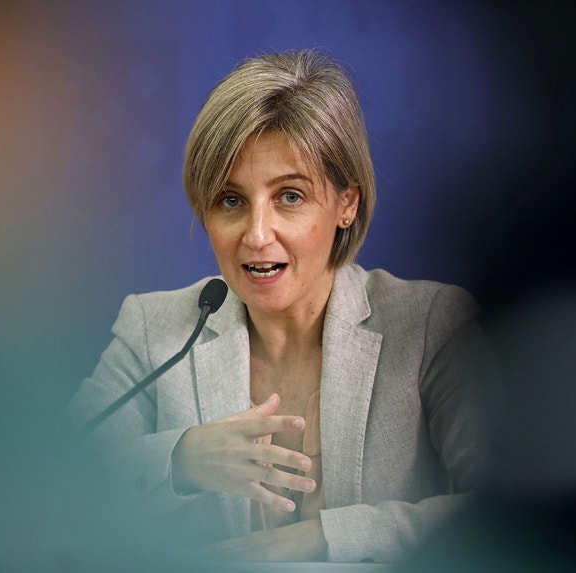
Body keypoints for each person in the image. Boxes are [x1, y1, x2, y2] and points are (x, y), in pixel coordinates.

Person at [69, 49, 489, 564]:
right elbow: (54, 483)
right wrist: (180, 459)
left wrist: (326, 538)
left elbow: (508, 512)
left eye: (289, 196)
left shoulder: (429, 325)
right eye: (231, 200)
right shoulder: (154, 328)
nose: (256, 234)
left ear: (346, 203)